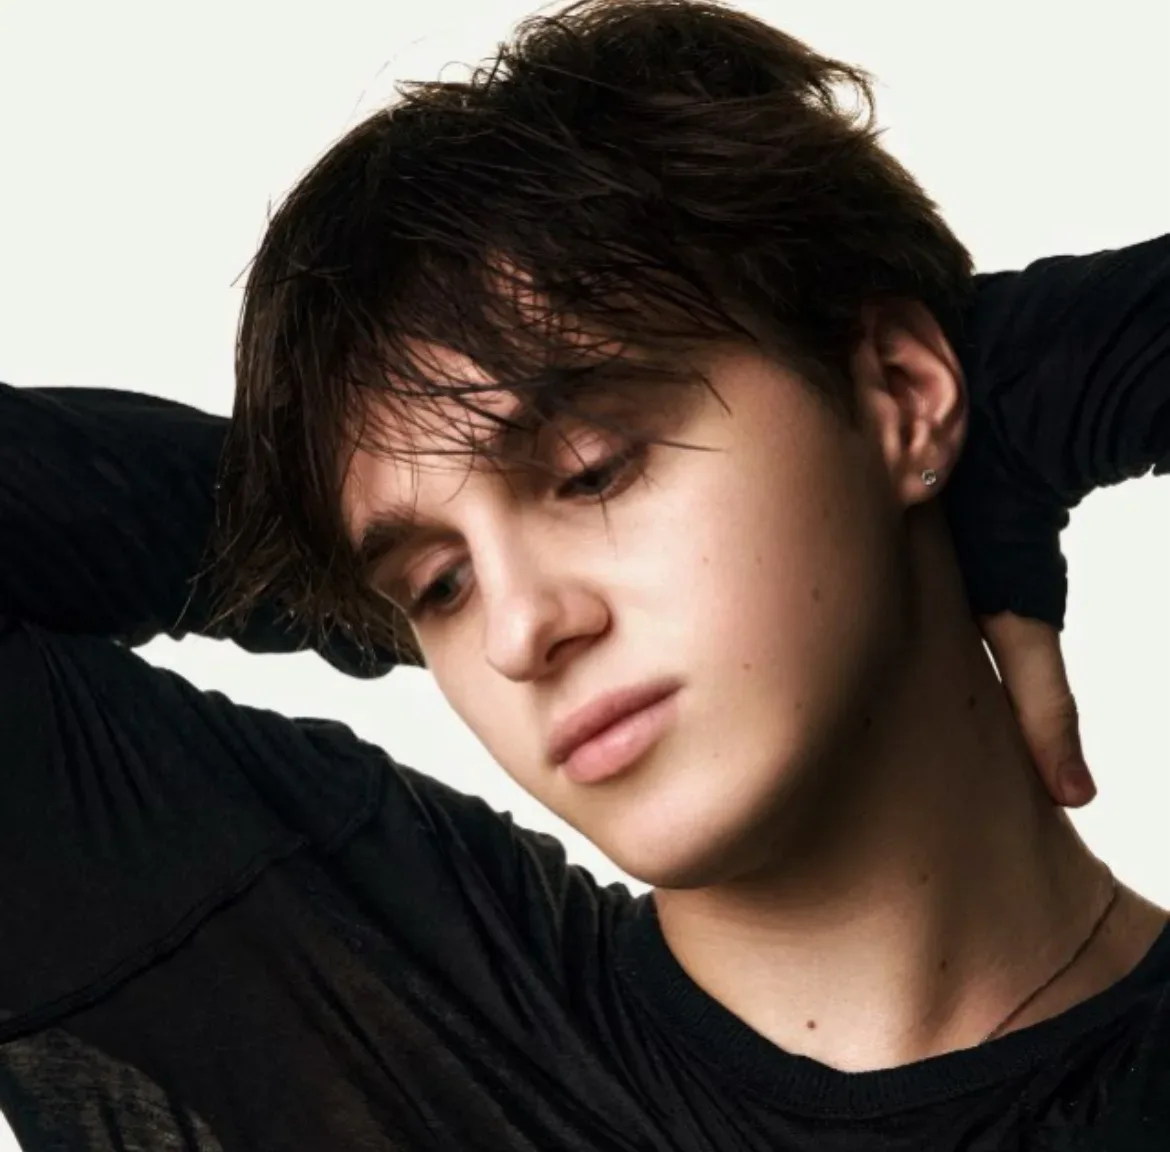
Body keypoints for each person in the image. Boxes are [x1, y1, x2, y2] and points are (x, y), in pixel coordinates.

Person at [1, 1, 1167, 1148]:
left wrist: (1041, 382)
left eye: (592, 471)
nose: (518, 632)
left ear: (903, 393)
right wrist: (306, 545)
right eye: (439, 585)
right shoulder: (381, 1021)